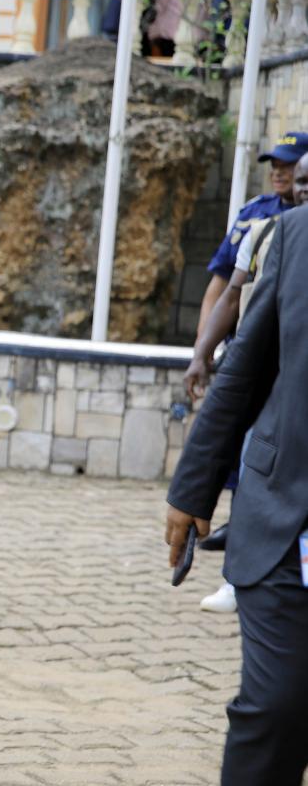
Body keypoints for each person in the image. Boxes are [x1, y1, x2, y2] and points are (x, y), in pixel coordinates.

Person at [165, 198, 308, 786]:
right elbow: (248, 364)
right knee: (273, 708)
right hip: (287, 516)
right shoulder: (296, 234)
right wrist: (193, 487)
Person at [196, 132, 305, 346]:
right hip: (245, 340)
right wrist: (203, 346)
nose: (278, 173)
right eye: (274, 166)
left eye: (287, 166)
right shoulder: (254, 213)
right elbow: (223, 282)